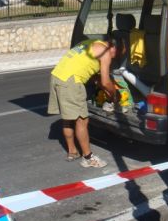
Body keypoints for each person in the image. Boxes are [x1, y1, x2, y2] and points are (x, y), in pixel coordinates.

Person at [48, 37, 124, 168]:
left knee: (68, 118)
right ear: (113, 48)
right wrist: (114, 96)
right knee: (82, 120)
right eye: (117, 55)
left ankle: (72, 152)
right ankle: (88, 158)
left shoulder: (91, 42)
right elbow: (106, 82)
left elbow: (90, 71)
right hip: (71, 82)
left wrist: (100, 83)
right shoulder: (105, 52)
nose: (114, 58)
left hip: (57, 76)